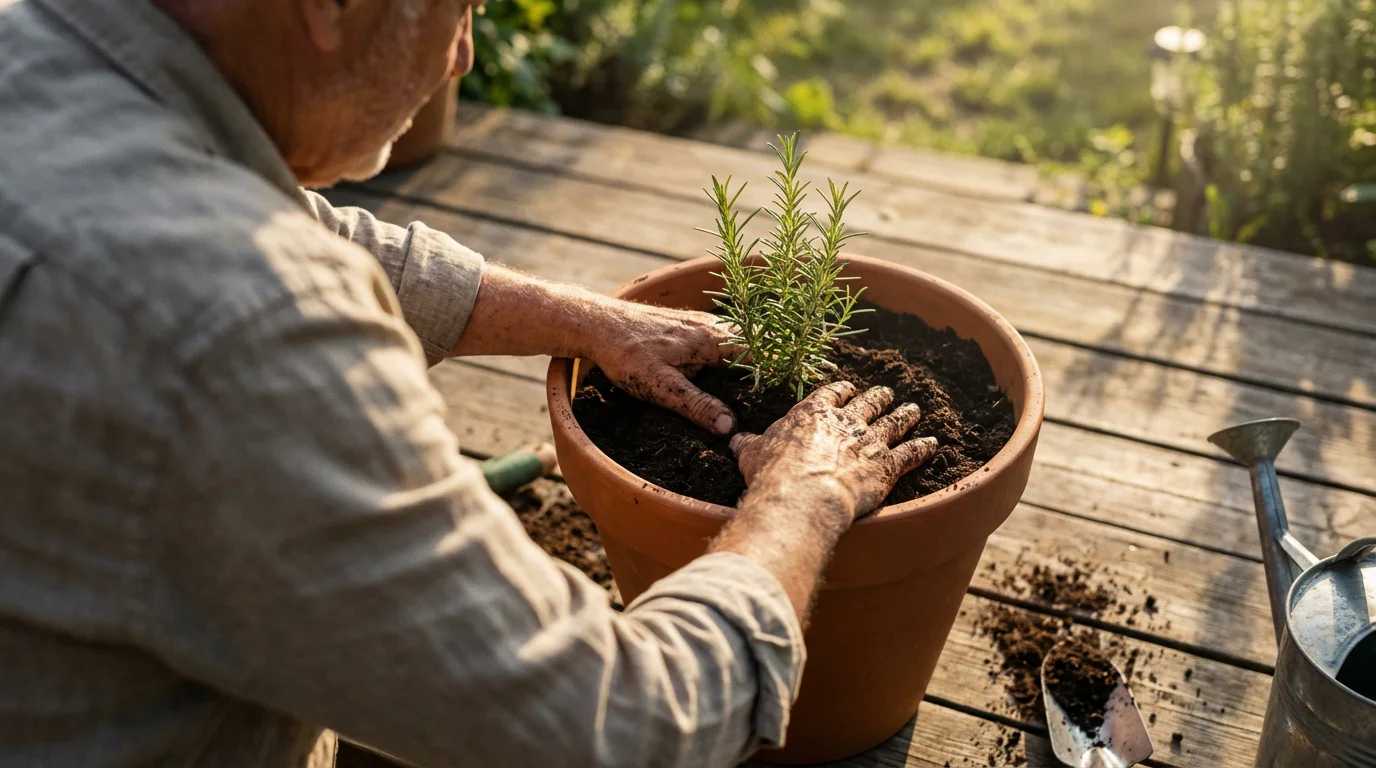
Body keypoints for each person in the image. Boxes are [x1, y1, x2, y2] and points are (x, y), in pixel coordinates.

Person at [0, 0, 934, 765]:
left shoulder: (39, 57)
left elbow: (273, 218)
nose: (463, 57)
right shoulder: (239, 331)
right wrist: (802, 498)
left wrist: (584, 320)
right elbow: (614, 727)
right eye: (461, 10)